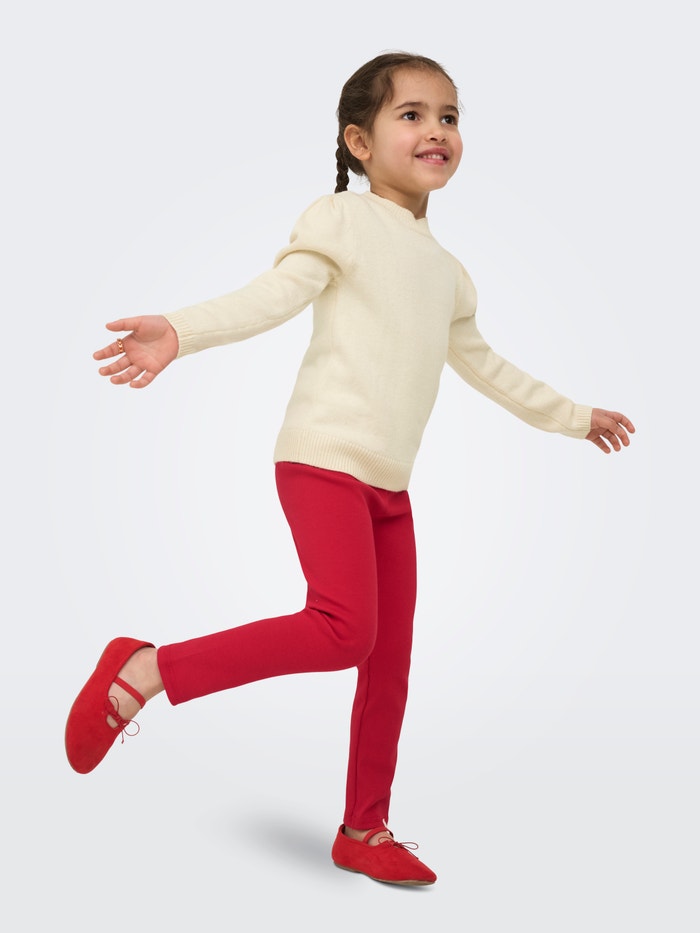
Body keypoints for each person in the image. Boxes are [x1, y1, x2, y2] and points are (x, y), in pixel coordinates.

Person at [65, 51, 634, 886]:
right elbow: (272, 294)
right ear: (359, 142)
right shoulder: (340, 219)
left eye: (449, 116)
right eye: (413, 114)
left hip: (390, 489)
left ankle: (364, 829)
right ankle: (144, 669)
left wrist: (575, 417)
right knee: (343, 629)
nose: (436, 130)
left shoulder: (449, 273)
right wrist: (181, 330)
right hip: (322, 463)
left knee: (387, 660)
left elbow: (487, 366)